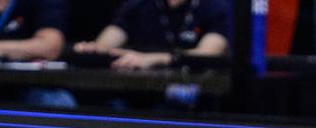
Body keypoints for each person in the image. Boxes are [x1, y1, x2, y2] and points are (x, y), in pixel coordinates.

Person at [73, 0, 231, 72]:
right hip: (140, 93)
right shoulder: (138, 4)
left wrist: (153, 59)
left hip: (194, 92)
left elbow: (209, 53)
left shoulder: (215, 6)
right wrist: (94, 49)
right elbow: (112, 37)